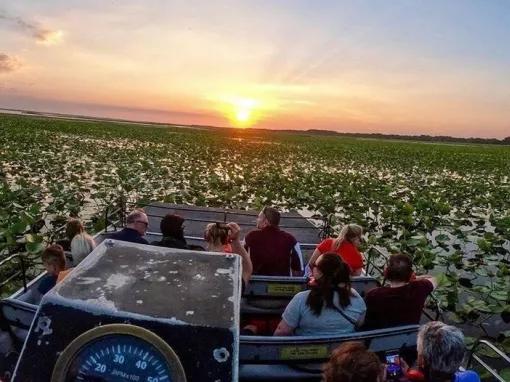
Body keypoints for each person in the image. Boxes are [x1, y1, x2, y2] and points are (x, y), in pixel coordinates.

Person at [274, 253, 366, 336]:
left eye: (315, 265)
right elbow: (360, 323)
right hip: (343, 352)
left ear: (319, 273)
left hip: (304, 352)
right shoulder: (355, 297)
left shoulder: (301, 298)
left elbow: (282, 332)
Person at [363, 254, 437, 329]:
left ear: (386, 273)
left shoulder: (373, 295)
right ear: (411, 275)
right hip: (406, 337)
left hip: (378, 337)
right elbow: (435, 280)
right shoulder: (420, 287)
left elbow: (362, 320)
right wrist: (415, 278)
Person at [405, 321, 480, 382]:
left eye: (418, 350)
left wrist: (406, 375)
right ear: (461, 358)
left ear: (422, 361)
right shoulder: (472, 377)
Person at [244, 206, 302, 276]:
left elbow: (240, 260)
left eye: (259, 217)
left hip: (255, 282)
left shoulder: (250, 237)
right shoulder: (290, 239)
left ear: (266, 221)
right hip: (282, 284)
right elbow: (298, 269)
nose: (257, 220)